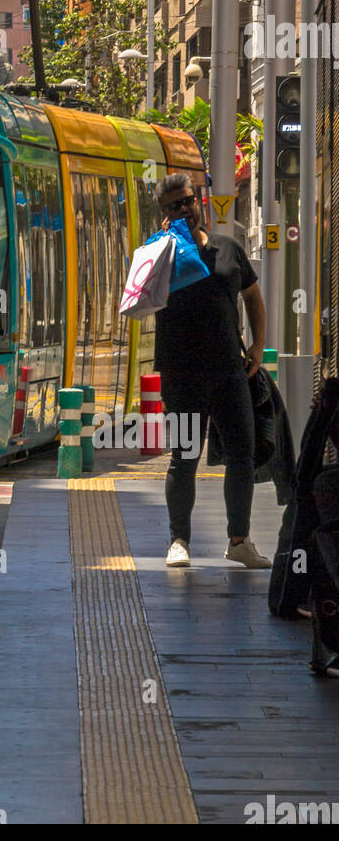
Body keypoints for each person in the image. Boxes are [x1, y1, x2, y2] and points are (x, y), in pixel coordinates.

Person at [153, 172, 272, 570]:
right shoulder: (158, 253)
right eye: (175, 205)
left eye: (188, 200)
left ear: (198, 200)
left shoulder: (228, 249)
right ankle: (178, 541)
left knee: (242, 454)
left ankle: (239, 541)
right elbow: (137, 301)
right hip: (182, 373)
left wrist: (257, 345)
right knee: (184, 456)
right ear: (165, 213)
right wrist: (162, 246)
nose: (185, 209)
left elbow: (253, 297)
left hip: (229, 371)